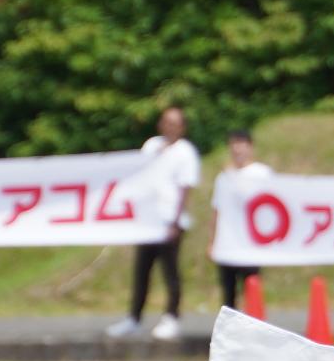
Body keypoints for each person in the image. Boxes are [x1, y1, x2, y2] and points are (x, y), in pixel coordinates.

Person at [106, 106, 200, 341]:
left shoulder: (186, 152)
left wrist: (176, 221)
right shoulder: (151, 145)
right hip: (148, 221)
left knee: (170, 271)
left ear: (183, 127)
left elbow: (185, 188)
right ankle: (134, 317)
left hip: (170, 220)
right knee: (142, 271)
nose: (170, 127)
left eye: (176, 123)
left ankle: (172, 317)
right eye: (167, 122)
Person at [208, 130, 273, 312]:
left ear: (250, 147)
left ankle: (254, 327)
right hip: (228, 241)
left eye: (241, 144)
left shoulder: (262, 173)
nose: (237, 149)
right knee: (228, 292)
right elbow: (217, 209)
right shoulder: (224, 177)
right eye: (233, 144)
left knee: (251, 287)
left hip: (251, 242)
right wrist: (212, 241)